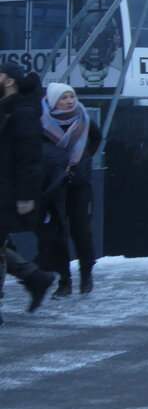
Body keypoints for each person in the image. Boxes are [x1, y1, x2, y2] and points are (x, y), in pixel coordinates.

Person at [0, 62, 56, 325]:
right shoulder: (6, 108)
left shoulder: (22, 113)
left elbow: (29, 160)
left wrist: (25, 197)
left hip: (7, 191)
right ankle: (35, 278)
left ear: (8, 80)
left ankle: (35, 278)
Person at [35, 83, 101, 297]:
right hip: (54, 186)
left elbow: (96, 138)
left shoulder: (83, 119)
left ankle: (86, 275)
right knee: (57, 233)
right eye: (63, 98)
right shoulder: (41, 123)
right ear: (53, 101)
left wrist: (84, 160)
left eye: (71, 96)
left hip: (79, 184)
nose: (69, 101)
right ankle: (65, 281)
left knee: (82, 231)